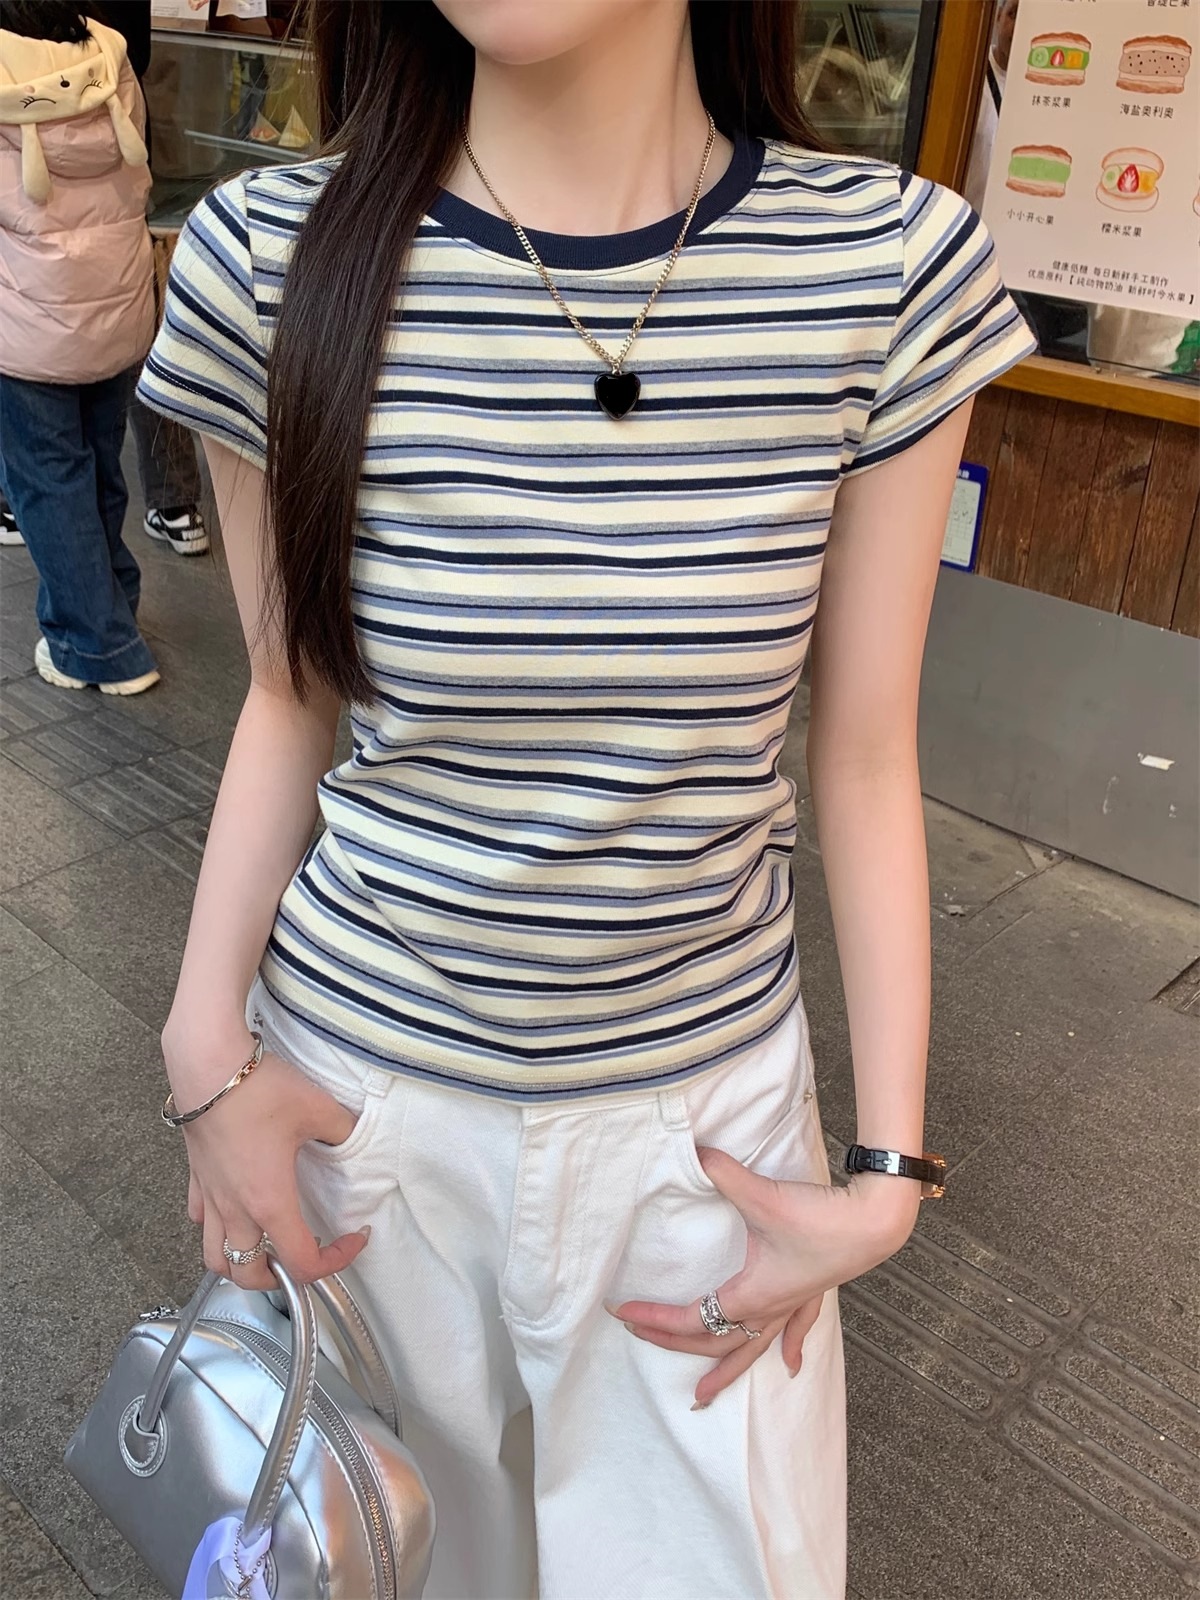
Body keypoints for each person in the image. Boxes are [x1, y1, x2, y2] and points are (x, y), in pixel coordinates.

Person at [140, 2, 1036, 1594]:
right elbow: (288, 695)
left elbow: (863, 748)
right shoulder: (267, 256)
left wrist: (887, 1178)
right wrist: (205, 1048)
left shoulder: (884, 265)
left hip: (707, 1145)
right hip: (359, 1122)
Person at [0, 2, 159, 694]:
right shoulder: (107, 50)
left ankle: (97, 647)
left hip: (26, 320)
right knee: (97, 466)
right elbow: (137, 169)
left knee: (47, 482)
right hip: (117, 301)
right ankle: (113, 601)